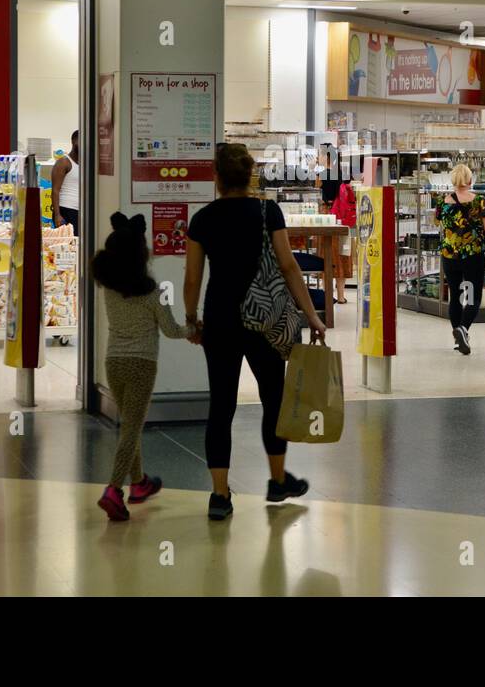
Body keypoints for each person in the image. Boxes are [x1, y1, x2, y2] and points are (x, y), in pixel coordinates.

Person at [184, 143, 326, 521]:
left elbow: (193, 278)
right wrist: (311, 316)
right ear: (249, 175)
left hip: (221, 321)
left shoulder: (202, 220)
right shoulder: (268, 211)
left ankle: (219, 495)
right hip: (266, 322)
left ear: (216, 177)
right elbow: (288, 267)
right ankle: (278, 481)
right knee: (273, 400)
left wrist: (191, 319)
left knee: (222, 406)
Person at [93, 212, 195, 521]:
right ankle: (113, 489)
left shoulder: (109, 288)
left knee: (130, 424)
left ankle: (139, 484)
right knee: (131, 428)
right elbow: (171, 330)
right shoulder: (152, 293)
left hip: (114, 362)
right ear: (140, 256)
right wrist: (195, 329)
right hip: (141, 365)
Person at [435, 163, 485, 356]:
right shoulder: (480, 201)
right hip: (472, 255)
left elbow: (439, 223)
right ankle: (463, 329)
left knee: (456, 296)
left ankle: (458, 337)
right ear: (469, 180)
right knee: (473, 296)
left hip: (449, 255)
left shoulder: (443, 201)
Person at [316, 147, 349, 303]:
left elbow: (316, 191)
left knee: (326, 253)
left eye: (320, 155)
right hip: (340, 215)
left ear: (326, 157)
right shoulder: (341, 174)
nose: (317, 157)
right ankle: (341, 295)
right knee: (341, 254)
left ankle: (326, 293)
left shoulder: (321, 175)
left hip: (326, 214)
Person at [51, 130, 80, 232]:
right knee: (68, 244)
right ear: (73, 142)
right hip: (66, 209)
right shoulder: (64, 162)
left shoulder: (86, 164)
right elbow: (55, 190)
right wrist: (57, 215)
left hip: (79, 211)